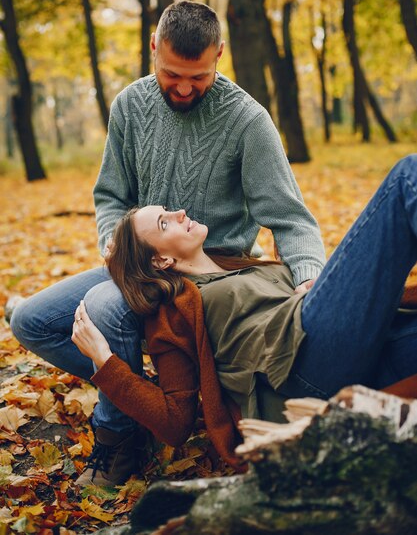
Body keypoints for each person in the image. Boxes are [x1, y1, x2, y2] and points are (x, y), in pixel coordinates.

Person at [10, 1, 325, 484]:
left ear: (219, 54)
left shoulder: (247, 120)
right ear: (153, 48)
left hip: (202, 269)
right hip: (143, 256)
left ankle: (119, 440)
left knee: (103, 306)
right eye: (172, 73)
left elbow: (289, 216)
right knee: (33, 321)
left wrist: (309, 277)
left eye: (197, 77)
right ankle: (139, 391)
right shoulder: (130, 106)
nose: (183, 87)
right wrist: (113, 246)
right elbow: (112, 196)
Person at [70, 155, 417, 484]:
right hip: (298, 365)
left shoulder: (241, 263)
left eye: (167, 210)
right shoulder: (176, 310)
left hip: (347, 346)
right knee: (407, 177)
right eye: (164, 222)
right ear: (160, 260)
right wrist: (106, 361)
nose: (179, 212)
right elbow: (175, 422)